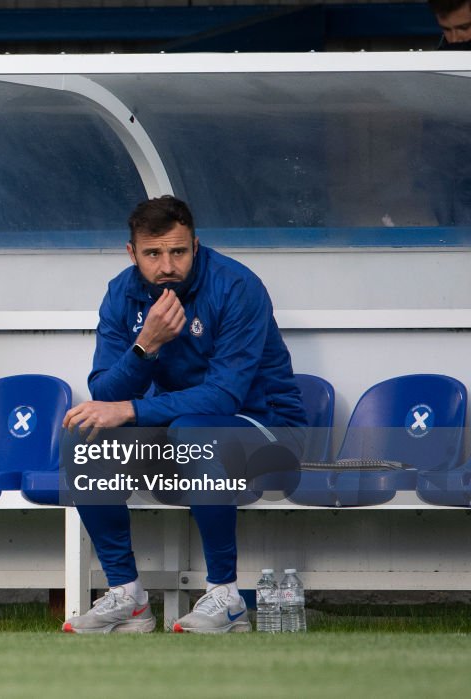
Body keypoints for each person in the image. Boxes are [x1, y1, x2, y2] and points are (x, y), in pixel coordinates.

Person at [61, 195, 306, 634]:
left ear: (195, 244)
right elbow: (104, 390)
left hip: (267, 429)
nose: (167, 265)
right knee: (88, 439)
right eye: (153, 254)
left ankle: (226, 597)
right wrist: (146, 345)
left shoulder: (235, 286)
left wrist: (132, 408)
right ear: (131, 252)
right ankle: (128, 596)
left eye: (178, 251)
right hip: (179, 429)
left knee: (194, 430)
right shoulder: (122, 292)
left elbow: (224, 398)